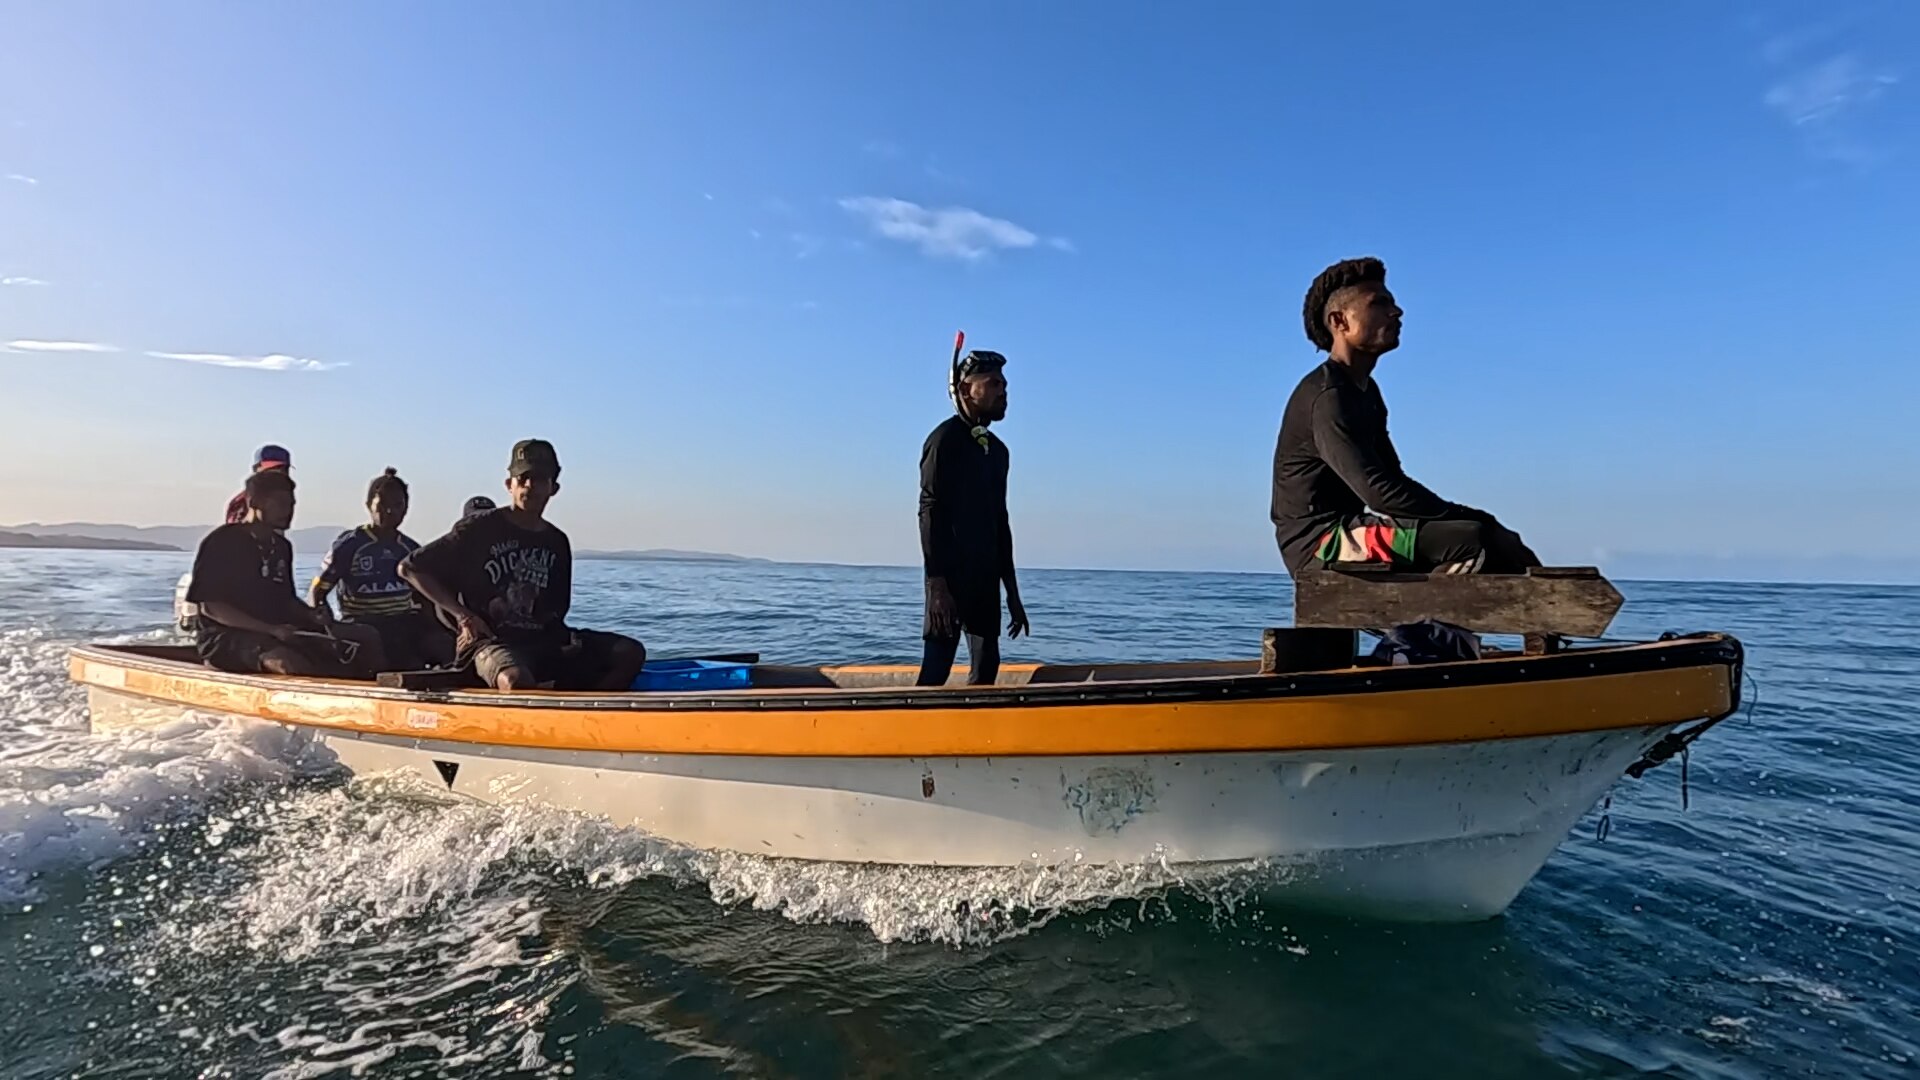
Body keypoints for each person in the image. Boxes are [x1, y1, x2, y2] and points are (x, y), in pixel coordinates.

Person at [1271, 257, 1542, 577]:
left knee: (1501, 539)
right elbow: (1378, 492)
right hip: (1322, 544)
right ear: (1340, 321)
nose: (1396, 312)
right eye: (1379, 303)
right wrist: (1458, 516)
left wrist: (1467, 516)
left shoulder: (1366, 392)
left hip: (1352, 529)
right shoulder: (1328, 395)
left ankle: (1544, 609)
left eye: (1393, 302)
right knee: (1475, 538)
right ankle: (1426, 610)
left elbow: (1393, 479)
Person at [398, 439, 647, 691]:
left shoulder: (556, 541)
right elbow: (410, 567)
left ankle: (591, 709)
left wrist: (566, 643)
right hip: (491, 643)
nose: (529, 485)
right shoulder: (478, 528)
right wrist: (464, 617)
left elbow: (557, 608)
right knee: (515, 680)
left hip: (543, 642)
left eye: (539, 479)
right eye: (523, 478)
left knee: (630, 652)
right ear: (510, 485)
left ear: (553, 488)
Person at [187, 468, 385, 676]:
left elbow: (287, 600)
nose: (288, 511)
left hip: (277, 631)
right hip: (227, 637)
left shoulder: (282, 547)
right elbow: (211, 607)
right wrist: (270, 629)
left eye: (291, 505)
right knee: (287, 662)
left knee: (364, 636)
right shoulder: (221, 542)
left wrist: (311, 614)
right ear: (254, 502)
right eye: (280, 504)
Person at [915, 348, 1029, 687]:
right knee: (936, 669)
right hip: (949, 581)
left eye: (1004, 385)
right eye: (993, 384)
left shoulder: (998, 451)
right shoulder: (943, 441)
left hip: (985, 579)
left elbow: (1000, 522)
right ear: (966, 389)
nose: (1003, 391)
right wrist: (936, 585)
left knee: (987, 666)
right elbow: (929, 511)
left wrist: (1012, 593)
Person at [310, 467, 454, 670]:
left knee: (443, 643)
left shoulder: (410, 549)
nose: (390, 511)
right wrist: (327, 626)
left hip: (402, 622)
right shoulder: (350, 545)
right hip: (363, 622)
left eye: (397, 505)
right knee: (385, 648)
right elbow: (317, 592)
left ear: (406, 508)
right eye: (383, 505)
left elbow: (425, 598)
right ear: (369, 505)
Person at [224, 444, 292, 525]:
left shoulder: (285, 496)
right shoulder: (240, 505)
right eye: (272, 469)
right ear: (256, 468)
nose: (279, 472)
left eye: (284, 468)